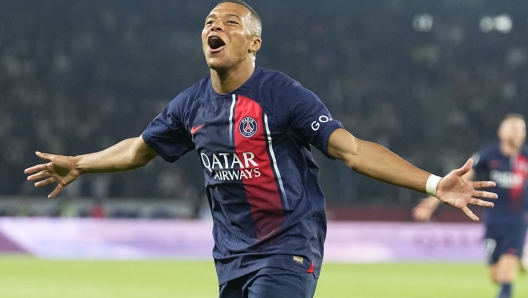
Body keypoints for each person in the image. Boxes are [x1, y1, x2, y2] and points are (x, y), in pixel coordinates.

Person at [25, 1, 497, 297]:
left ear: (254, 42)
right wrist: (80, 164)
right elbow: (138, 151)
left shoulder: (283, 96)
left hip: (288, 247)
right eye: (210, 21)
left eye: (230, 22)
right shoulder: (190, 104)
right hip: (229, 257)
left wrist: (434, 184)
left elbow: (351, 150)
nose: (216, 26)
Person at [412, 114, 527, 298]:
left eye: (520, 129)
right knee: (496, 277)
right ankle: (521, 257)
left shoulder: (526, 158)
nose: (517, 133)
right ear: (501, 132)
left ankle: (515, 260)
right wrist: (431, 202)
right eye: (513, 129)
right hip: (493, 220)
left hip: (518, 221)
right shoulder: (488, 155)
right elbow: (458, 182)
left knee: (506, 278)